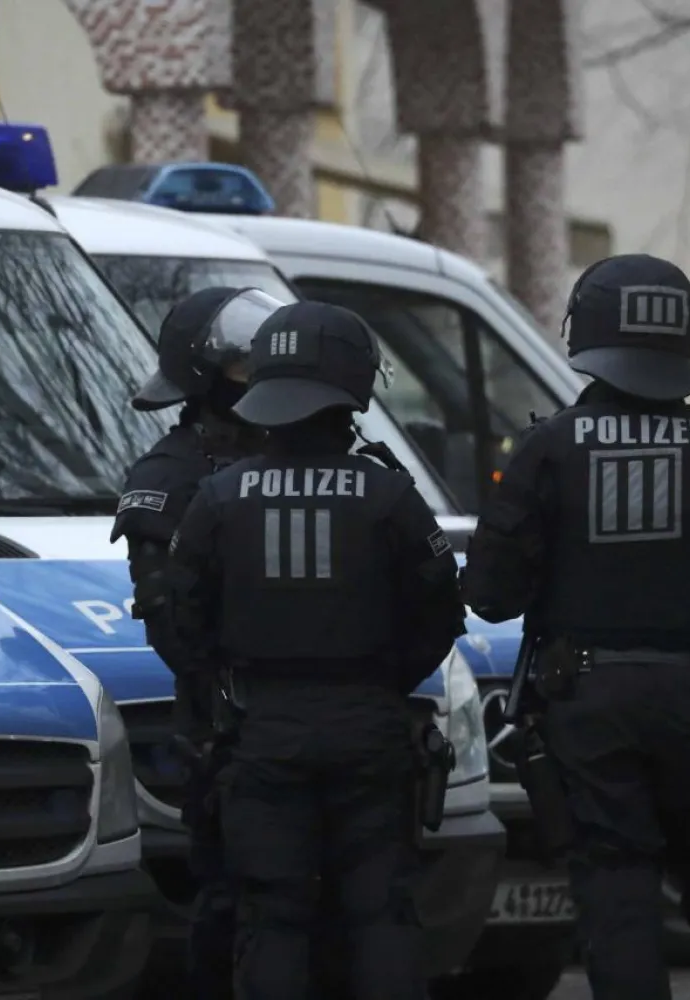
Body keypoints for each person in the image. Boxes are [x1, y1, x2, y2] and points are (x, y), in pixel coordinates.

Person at [461, 253, 690, 1000]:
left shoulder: (546, 450)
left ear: (584, 333)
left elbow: (488, 596)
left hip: (586, 707)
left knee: (616, 896)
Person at [165, 300, 466, 1000]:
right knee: (381, 914)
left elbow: (183, 623)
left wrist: (231, 687)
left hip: (262, 731)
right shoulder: (390, 495)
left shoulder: (218, 497)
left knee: (273, 918)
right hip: (369, 725)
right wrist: (383, 684)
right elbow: (441, 613)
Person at [111, 285, 286, 1000]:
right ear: (208, 377)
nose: (264, 378)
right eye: (248, 366)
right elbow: (173, 627)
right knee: (240, 908)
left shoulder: (314, 455)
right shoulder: (172, 476)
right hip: (232, 733)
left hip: (332, 732)